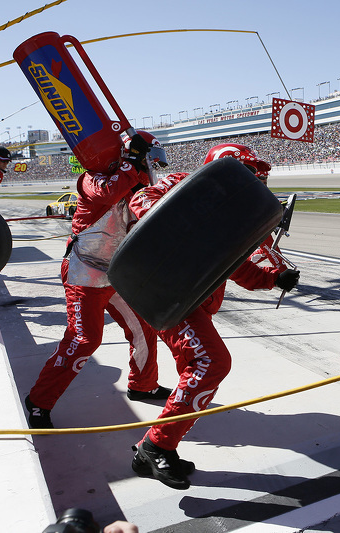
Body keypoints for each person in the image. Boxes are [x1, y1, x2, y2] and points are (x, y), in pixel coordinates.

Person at [128, 144, 300, 490]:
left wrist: (273, 279)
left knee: (196, 374)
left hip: (190, 303)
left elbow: (238, 268)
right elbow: (141, 203)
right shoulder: (181, 184)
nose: (257, 184)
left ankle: (163, 446)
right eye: (250, 176)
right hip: (169, 296)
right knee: (212, 363)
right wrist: (199, 214)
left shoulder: (234, 215)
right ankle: (153, 447)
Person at [24, 132, 172, 428]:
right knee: (84, 340)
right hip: (84, 273)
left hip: (114, 273)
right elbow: (108, 193)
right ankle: (38, 401)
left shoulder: (138, 187)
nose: (152, 168)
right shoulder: (91, 178)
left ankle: (143, 384)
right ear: (131, 157)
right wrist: (131, 163)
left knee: (143, 328)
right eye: (147, 160)